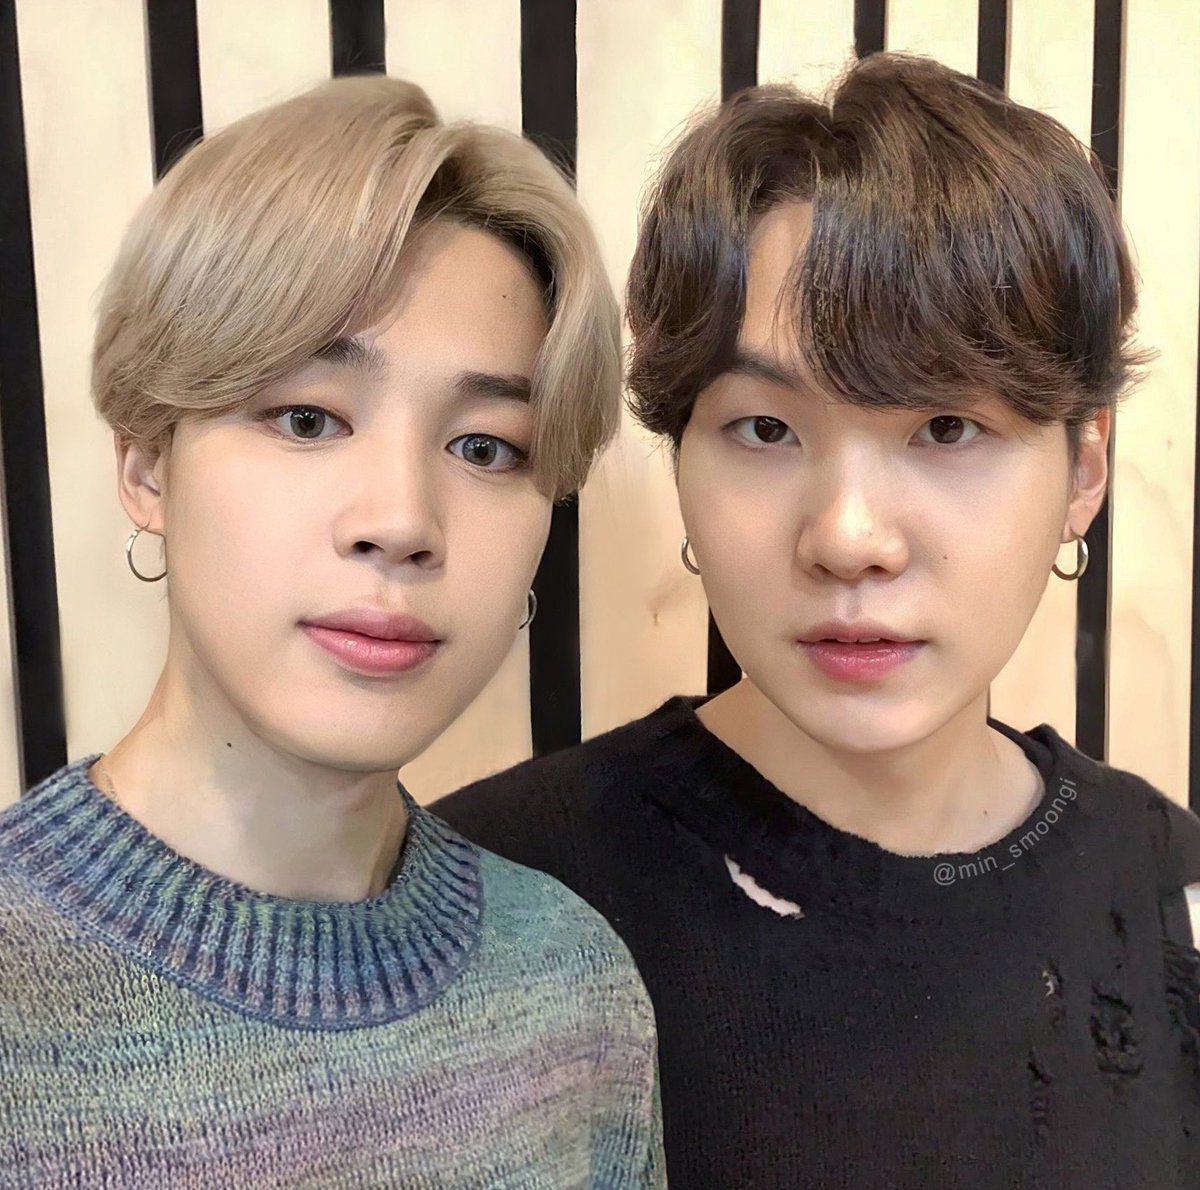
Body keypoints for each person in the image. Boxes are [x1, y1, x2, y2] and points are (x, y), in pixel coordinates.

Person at [435, 52, 1200, 1189]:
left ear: (1082, 469)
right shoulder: (497, 896)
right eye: (765, 429)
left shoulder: (1164, 888)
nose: (848, 536)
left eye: (946, 428)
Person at [0, 75, 665, 1186]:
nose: (401, 521)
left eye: (486, 447)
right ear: (148, 464)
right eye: (307, 418)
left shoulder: (572, 990)